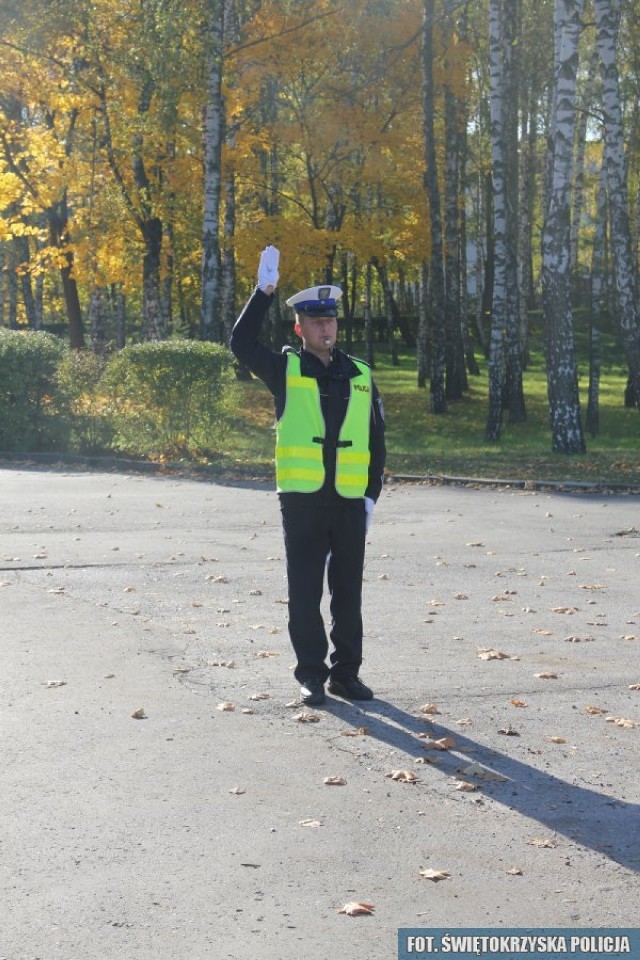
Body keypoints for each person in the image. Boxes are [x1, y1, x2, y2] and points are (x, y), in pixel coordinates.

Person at [230, 246, 386, 706]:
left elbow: (377, 442)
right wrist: (263, 294)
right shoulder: (285, 368)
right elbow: (240, 344)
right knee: (304, 592)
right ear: (300, 328)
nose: (326, 328)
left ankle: (346, 675)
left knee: (348, 594)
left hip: (349, 501)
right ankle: (312, 676)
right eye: (316, 322)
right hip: (301, 499)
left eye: (331, 321)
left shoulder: (360, 374)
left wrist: (371, 495)